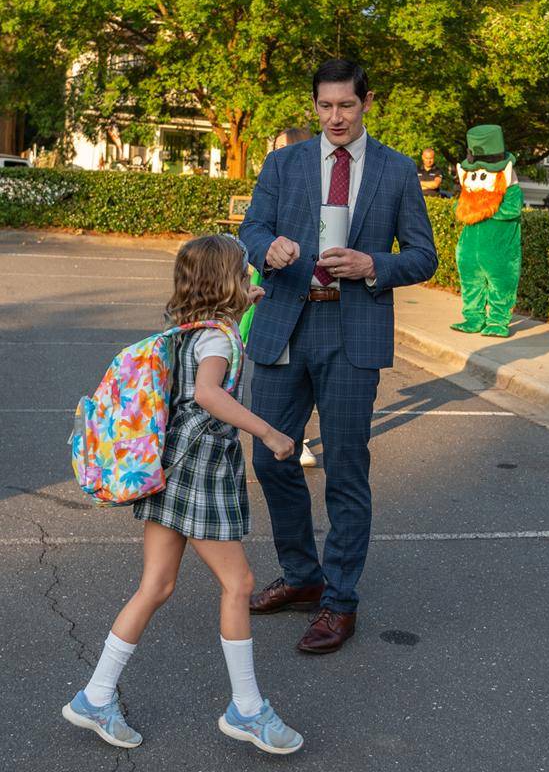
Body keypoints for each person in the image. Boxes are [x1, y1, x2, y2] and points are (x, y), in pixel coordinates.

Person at [61, 235, 304, 755]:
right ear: (224, 283)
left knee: (156, 586)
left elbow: (212, 354)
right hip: (200, 476)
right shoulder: (217, 341)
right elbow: (210, 393)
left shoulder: (196, 331)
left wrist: (248, 304)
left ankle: (96, 695)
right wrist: (268, 432)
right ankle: (247, 708)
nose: (251, 279)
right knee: (239, 582)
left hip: (168, 469)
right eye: (245, 273)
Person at [240, 59, 437, 654]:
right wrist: (266, 248)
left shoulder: (398, 171)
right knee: (272, 458)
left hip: (354, 332)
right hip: (284, 325)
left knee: (347, 470)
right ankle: (302, 576)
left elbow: (423, 256)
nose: (335, 118)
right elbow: (251, 228)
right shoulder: (284, 162)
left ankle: (339, 600)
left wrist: (376, 264)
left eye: (345, 106)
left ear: (366, 103)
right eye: (324, 107)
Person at [241, 125, 318, 468]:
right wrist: (265, 249)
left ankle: (295, 435)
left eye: (281, 148)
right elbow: (253, 228)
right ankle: (280, 434)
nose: (276, 155)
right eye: (273, 149)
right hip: (275, 284)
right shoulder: (273, 175)